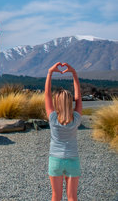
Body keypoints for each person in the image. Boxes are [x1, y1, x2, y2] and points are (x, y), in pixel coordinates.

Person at [45, 62, 82, 201]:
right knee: (72, 197)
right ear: (69, 102)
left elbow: (47, 94)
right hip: (73, 160)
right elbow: (78, 97)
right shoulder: (76, 119)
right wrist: (74, 74)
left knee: (56, 196)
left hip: (55, 160)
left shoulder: (53, 118)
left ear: (57, 103)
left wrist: (50, 72)